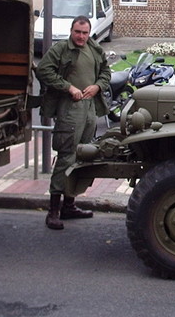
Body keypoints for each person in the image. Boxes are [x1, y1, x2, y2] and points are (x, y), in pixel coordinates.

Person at [36, 15, 111, 230]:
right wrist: (68, 87)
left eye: (85, 33)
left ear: (89, 33)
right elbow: (43, 70)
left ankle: (69, 205)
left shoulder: (95, 49)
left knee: (83, 156)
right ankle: (53, 211)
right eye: (77, 32)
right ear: (71, 31)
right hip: (70, 109)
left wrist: (97, 86)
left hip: (89, 109)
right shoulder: (61, 49)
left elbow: (106, 72)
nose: (81, 36)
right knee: (67, 157)